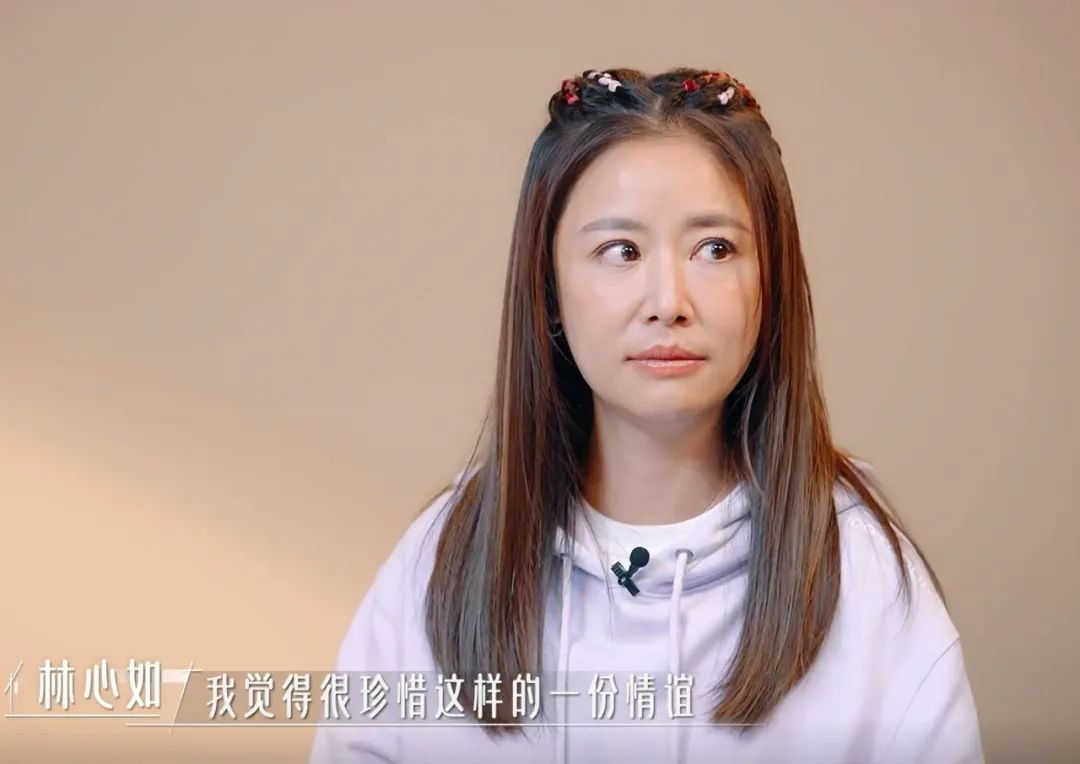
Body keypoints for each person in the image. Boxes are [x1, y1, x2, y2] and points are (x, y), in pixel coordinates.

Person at [309, 66, 984, 764]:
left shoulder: (862, 571)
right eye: (621, 251)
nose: (668, 302)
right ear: (548, 289)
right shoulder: (444, 558)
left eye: (715, 249)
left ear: (771, 281)